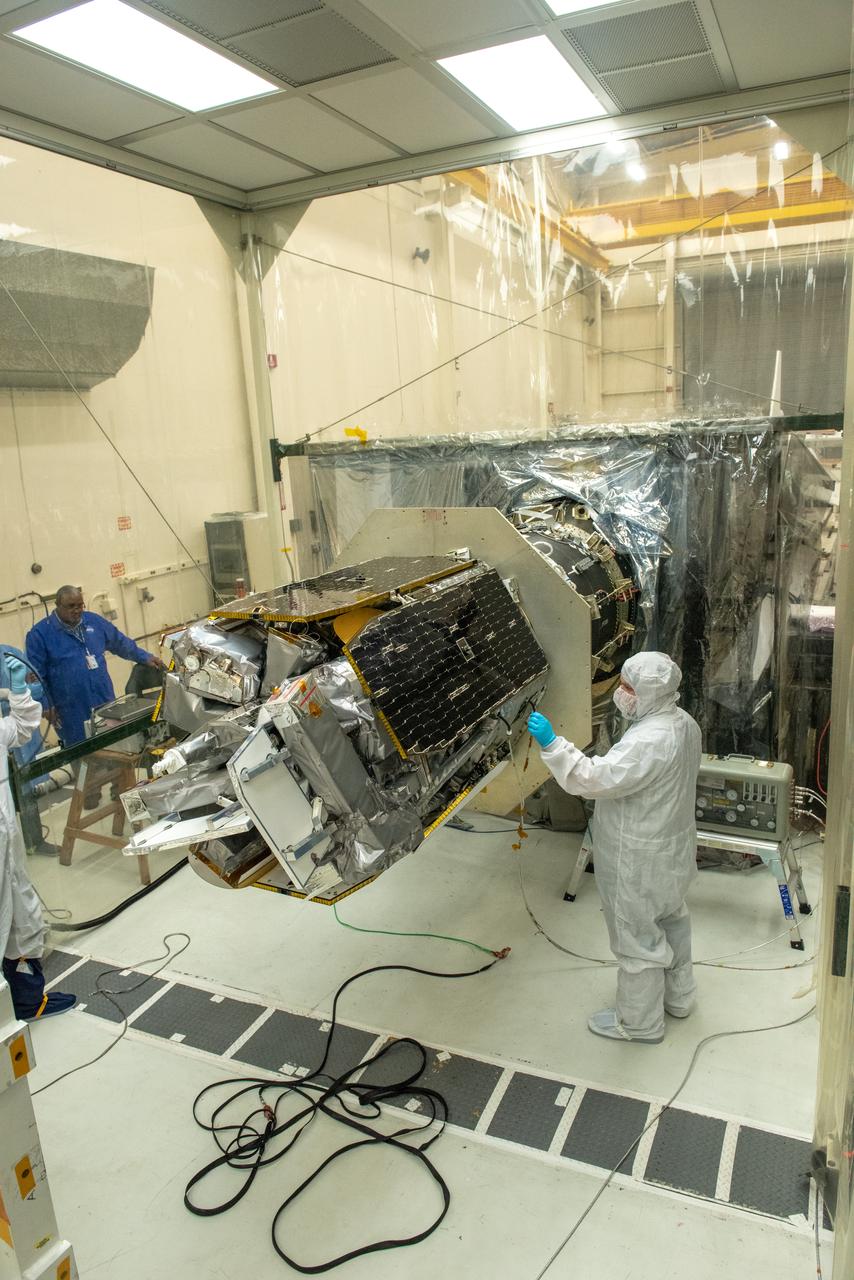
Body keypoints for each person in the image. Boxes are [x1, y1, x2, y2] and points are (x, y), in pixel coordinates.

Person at [528, 651, 702, 1045]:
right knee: (672, 920)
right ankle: (679, 998)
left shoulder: (649, 741)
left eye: (628, 687)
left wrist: (553, 745)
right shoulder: (683, 723)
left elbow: (593, 779)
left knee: (637, 939)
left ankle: (639, 1024)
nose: (621, 693)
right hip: (672, 850)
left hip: (638, 858)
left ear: (649, 693)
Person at [1, 654, 76, 1019]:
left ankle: (30, 1001)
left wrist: (18, 694)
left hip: (7, 839)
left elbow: (21, 729)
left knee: (22, 913)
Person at [26, 586, 161, 746]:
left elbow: (119, 642)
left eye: (80, 605)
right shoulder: (40, 634)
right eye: (71, 606)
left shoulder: (94, 622)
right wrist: (45, 705)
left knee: (116, 749)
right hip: (70, 710)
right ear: (57, 605)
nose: (76, 610)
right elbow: (35, 675)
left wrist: (144, 657)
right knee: (83, 754)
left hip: (104, 700)